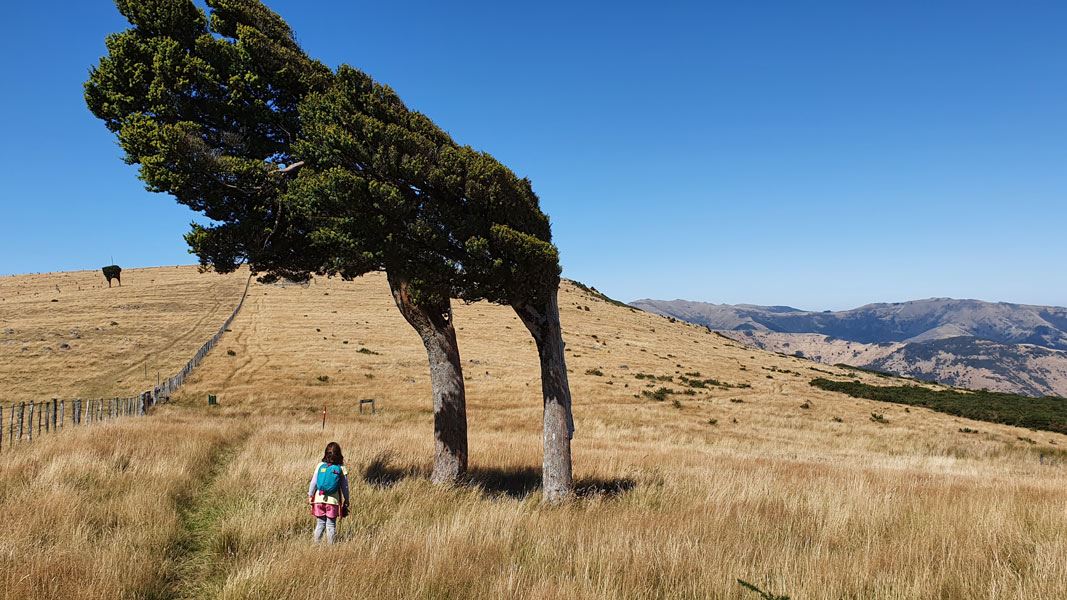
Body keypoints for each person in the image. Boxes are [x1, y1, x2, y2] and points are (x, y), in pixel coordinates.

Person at [308, 441, 350, 543]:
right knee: (331, 525)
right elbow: (345, 486)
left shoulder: (320, 465)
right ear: (339, 454)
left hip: (318, 500)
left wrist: (310, 495)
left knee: (320, 523)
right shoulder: (341, 468)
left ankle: (316, 546)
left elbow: (313, 482)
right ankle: (331, 547)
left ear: (326, 453)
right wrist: (346, 499)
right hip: (333, 502)